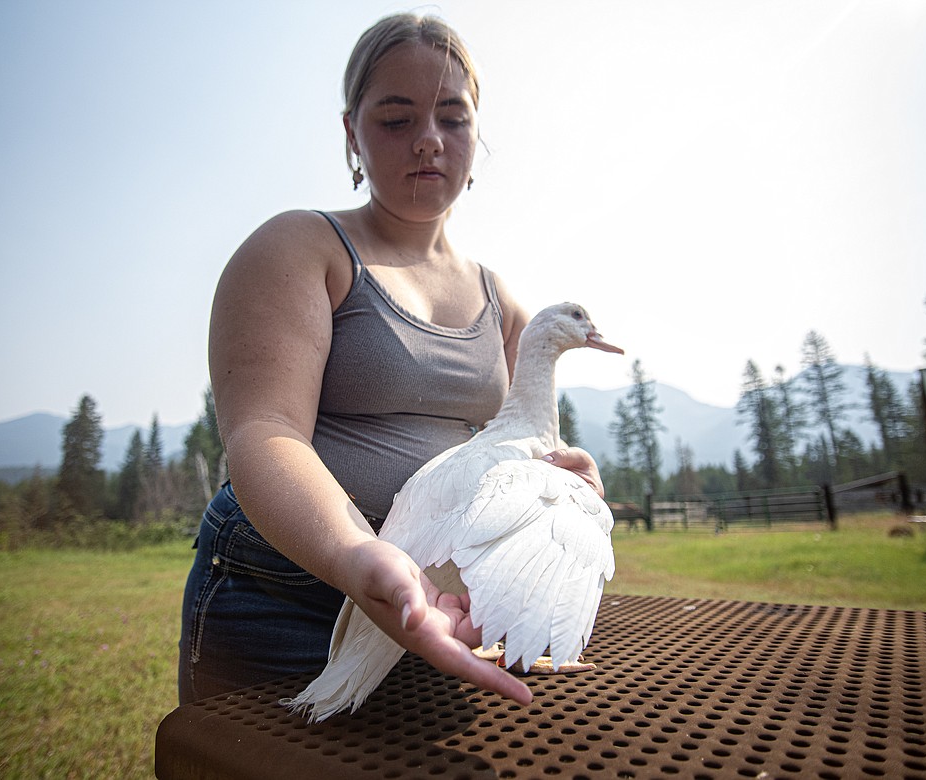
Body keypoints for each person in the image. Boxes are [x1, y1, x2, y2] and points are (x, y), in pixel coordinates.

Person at [178, 12, 605, 707]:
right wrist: (358, 556)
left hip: (436, 606)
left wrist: (561, 478)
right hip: (283, 595)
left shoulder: (505, 304)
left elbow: (511, 446)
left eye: (452, 118)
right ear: (351, 133)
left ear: (477, 132)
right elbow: (265, 432)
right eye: (396, 119)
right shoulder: (299, 249)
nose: (429, 141)